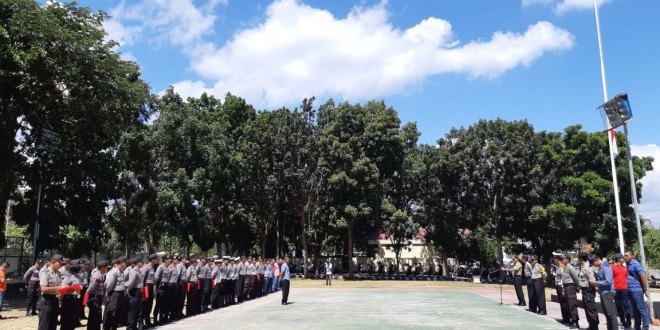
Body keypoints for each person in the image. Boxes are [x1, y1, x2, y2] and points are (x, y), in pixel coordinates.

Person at [38, 255, 68, 330]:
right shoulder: (45, 273)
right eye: (60, 263)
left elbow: (60, 286)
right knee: (45, 325)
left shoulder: (58, 273)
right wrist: (59, 288)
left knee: (53, 325)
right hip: (47, 301)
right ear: (53, 262)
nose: (61, 265)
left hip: (55, 300)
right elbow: (43, 289)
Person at [591, 255, 619, 330]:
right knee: (607, 314)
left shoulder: (605, 267)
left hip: (607, 292)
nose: (593, 265)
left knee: (611, 314)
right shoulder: (601, 267)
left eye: (593, 263)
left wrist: (596, 283)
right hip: (603, 292)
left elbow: (608, 281)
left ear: (596, 260)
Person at [625, 250, 650, 330]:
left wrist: (645, 289)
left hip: (636, 290)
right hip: (630, 289)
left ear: (632, 256)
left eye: (627, 256)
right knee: (635, 309)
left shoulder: (635, 264)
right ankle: (637, 326)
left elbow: (643, 276)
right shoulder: (628, 265)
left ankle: (645, 327)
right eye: (625, 256)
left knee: (641, 309)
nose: (625, 257)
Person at [104, 256, 127, 330]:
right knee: (112, 313)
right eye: (125, 263)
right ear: (120, 263)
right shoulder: (114, 272)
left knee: (118, 314)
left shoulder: (122, 271)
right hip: (114, 294)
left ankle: (114, 328)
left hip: (120, 294)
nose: (126, 264)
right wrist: (108, 294)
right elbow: (109, 285)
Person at [577, 252, 598, 330]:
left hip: (588, 291)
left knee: (591, 309)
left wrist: (594, 289)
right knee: (587, 308)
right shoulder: (583, 267)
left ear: (581, 258)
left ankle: (594, 327)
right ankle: (591, 325)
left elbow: (592, 280)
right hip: (585, 290)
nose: (578, 260)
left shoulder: (587, 267)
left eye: (578, 258)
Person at [60, 259, 83, 330]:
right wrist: (75, 287)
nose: (81, 268)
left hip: (75, 299)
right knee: (66, 321)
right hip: (68, 299)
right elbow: (62, 289)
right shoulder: (68, 276)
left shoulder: (77, 276)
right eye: (79, 267)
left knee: (73, 320)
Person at [86, 260, 109, 330]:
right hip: (94, 298)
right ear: (102, 268)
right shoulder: (97, 276)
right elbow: (90, 289)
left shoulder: (100, 275)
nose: (107, 269)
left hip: (97, 297)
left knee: (97, 316)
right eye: (106, 268)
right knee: (94, 316)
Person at [612, 252, 632, 329]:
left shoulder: (625, 268)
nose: (624, 259)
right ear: (618, 259)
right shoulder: (612, 267)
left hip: (624, 289)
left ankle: (629, 322)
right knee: (619, 306)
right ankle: (623, 321)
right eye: (622, 258)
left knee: (626, 306)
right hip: (616, 289)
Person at [561, 255, 581, 329]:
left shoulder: (570, 267)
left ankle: (575, 321)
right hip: (566, 287)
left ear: (567, 260)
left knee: (572, 303)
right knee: (568, 304)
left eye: (563, 259)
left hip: (570, 287)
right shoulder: (565, 267)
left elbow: (575, 278)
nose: (562, 260)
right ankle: (572, 320)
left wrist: (577, 286)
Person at [125, 258, 144, 330]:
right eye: (141, 262)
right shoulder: (134, 271)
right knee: (132, 310)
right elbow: (130, 283)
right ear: (138, 263)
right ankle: (130, 327)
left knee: (136, 310)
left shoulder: (138, 271)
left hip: (138, 292)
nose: (142, 264)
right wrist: (128, 290)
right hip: (134, 292)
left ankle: (133, 326)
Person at [140, 254, 158, 329]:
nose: (157, 260)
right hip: (146, 287)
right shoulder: (146, 267)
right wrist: (143, 288)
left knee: (150, 304)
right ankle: (141, 322)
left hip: (151, 287)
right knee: (145, 304)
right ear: (152, 259)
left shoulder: (152, 267)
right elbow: (142, 278)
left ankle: (147, 321)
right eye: (156, 259)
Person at [153, 255, 171, 325]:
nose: (169, 260)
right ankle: (155, 319)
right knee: (158, 304)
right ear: (164, 260)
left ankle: (161, 319)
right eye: (168, 259)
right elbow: (156, 277)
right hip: (160, 287)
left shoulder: (167, 267)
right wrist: (159, 284)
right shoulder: (160, 267)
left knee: (164, 304)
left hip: (166, 286)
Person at [552, 253, 569, 322]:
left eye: (555, 259)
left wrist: (563, 289)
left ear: (558, 259)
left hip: (561, 286)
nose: (554, 260)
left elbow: (563, 277)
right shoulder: (557, 266)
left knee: (564, 303)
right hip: (557, 285)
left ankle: (567, 318)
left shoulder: (561, 267)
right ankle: (564, 317)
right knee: (561, 303)